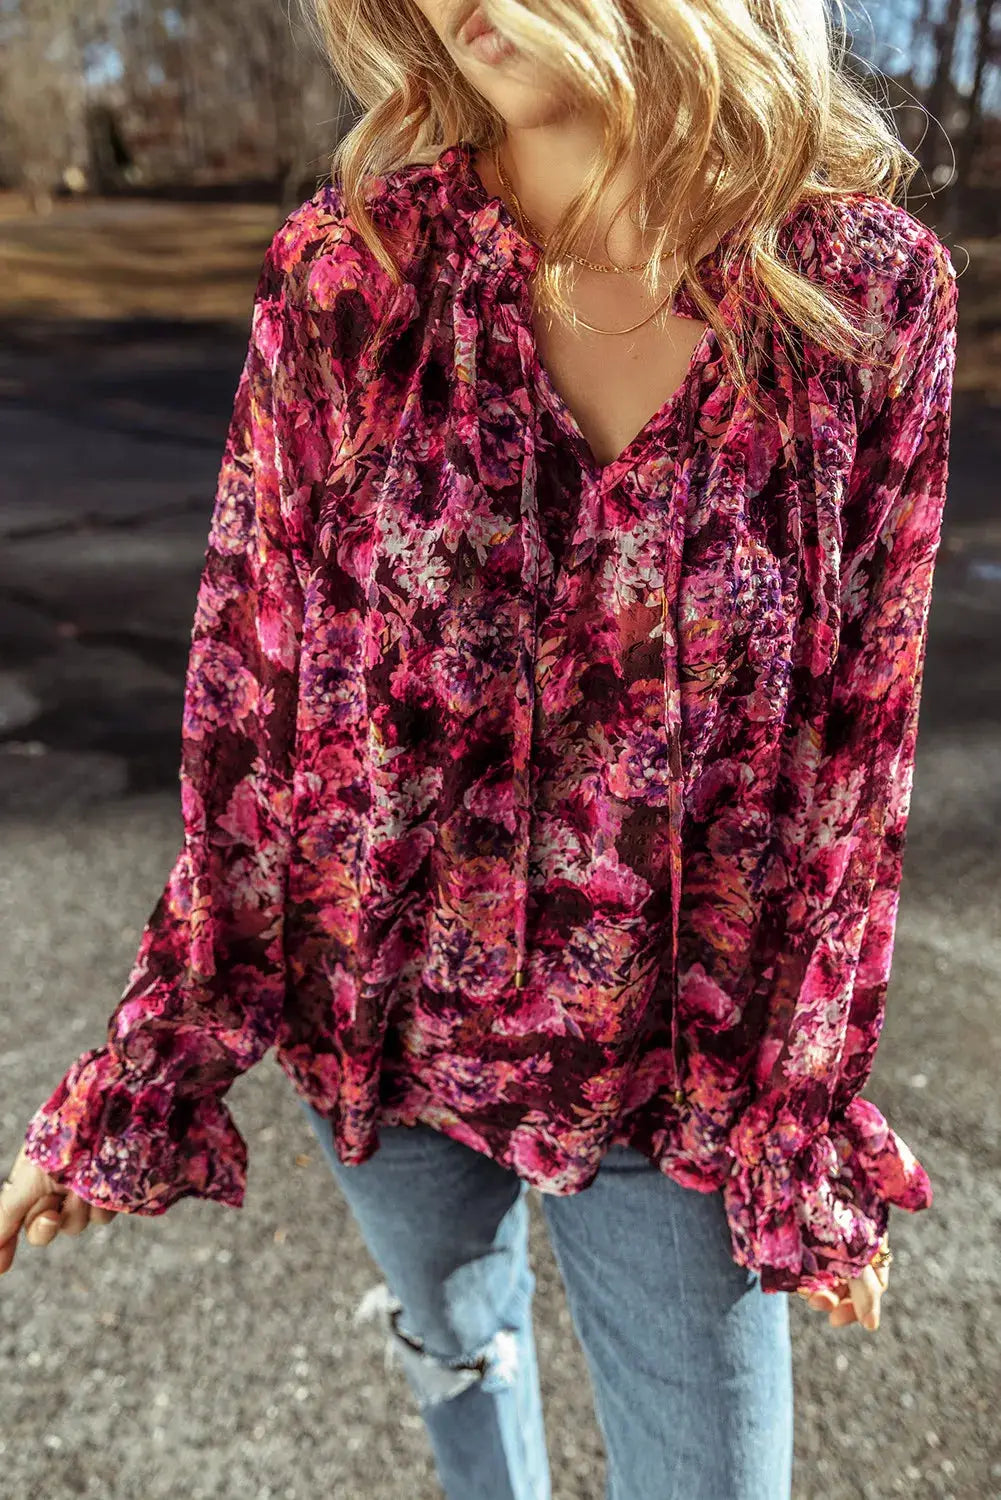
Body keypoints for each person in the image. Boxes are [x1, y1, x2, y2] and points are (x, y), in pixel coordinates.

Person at [1, 2, 958, 1496]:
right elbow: (251, 704)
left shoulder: (860, 296)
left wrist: (804, 1103)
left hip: (671, 1070)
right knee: (456, 1347)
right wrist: (150, 1060)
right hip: (376, 1027)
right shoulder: (350, 278)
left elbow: (858, 752)